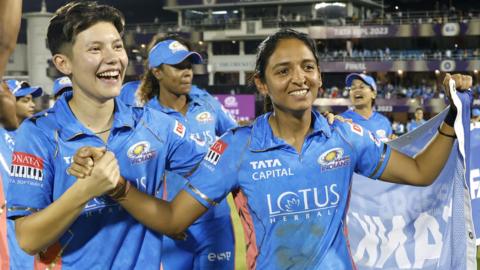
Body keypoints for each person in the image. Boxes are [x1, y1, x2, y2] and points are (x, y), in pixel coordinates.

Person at [70, 29, 472, 269]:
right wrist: (118, 187)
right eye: (283, 71)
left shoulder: (344, 137)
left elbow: (420, 174)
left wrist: (453, 117)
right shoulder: (238, 148)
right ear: (261, 83)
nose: (299, 78)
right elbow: (175, 218)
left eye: (308, 67)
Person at [6, 2, 204, 269]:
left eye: (117, 46)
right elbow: (28, 239)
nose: (113, 58)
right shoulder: (39, 133)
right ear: (63, 63)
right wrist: (86, 189)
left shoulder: (155, 125)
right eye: (95, 48)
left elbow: (216, 171)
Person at [136, 35, 238, 269]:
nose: (187, 72)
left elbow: (238, 143)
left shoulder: (208, 104)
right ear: (157, 72)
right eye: (178, 66)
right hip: (172, 225)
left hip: (215, 222)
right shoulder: (145, 119)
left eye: (189, 66)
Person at [340, 73, 395, 142]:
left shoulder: (384, 122)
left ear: (373, 94)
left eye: (362, 87)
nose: (356, 90)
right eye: (353, 88)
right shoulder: (342, 121)